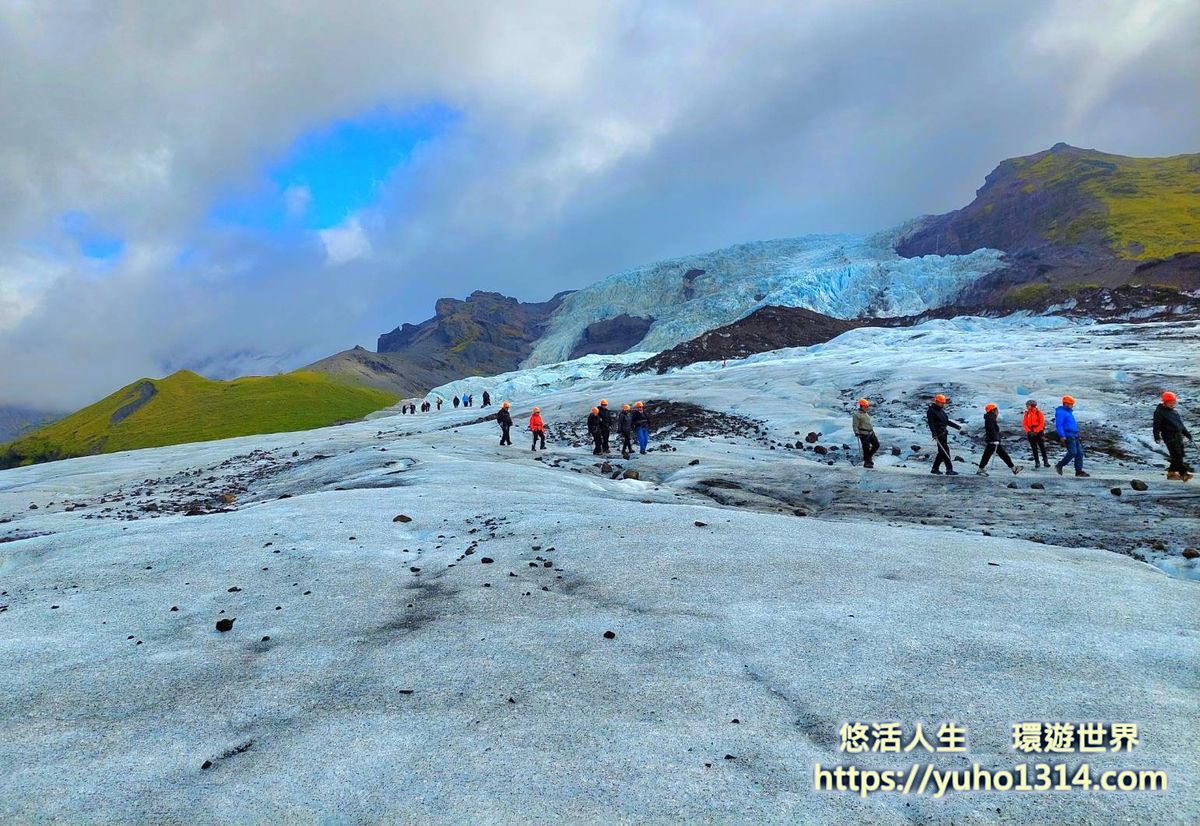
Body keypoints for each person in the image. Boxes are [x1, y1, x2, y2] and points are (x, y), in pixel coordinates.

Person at [1153, 391, 1193, 481]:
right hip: (1169, 436)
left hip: (1178, 436)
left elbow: (1180, 425)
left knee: (1180, 454)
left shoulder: (1174, 411)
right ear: (1165, 402)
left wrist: (1188, 435)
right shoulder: (1159, 412)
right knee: (1177, 455)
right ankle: (1180, 473)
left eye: (1173, 402)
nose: (1172, 404)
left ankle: (1175, 473)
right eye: (1170, 403)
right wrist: (1157, 437)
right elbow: (1156, 426)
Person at [977, 403, 1022, 476]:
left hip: (992, 440)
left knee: (991, 455)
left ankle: (1013, 468)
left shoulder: (990, 418)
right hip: (993, 441)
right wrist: (995, 439)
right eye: (996, 410)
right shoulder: (990, 418)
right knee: (1001, 455)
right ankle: (1013, 468)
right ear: (993, 410)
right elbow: (992, 430)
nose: (998, 412)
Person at [926, 394, 962, 475]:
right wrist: (934, 434)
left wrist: (957, 427)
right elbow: (931, 423)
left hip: (944, 433)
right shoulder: (931, 411)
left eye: (943, 403)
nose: (943, 404)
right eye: (942, 403)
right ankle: (949, 469)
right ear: (937, 402)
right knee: (945, 450)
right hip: (938, 434)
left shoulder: (941, 410)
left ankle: (935, 468)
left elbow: (947, 421)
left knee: (941, 451)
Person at [1053, 395, 1088, 477]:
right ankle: (1060, 465)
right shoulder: (1061, 412)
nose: (1072, 405)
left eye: (1072, 404)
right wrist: (1062, 435)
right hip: (1068, 435)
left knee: (1079, 453)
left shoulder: (1069, 412)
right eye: (1070, 404)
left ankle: (1079, 471)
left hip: (1074, 435)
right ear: (1065, 404)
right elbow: (1059, 425)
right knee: (1073, 452)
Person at [852, 398, 879, 468]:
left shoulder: (865, 413)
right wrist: (857, 433)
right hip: (863, 434)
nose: (867, 408)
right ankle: (867, 462)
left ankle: (868, 458)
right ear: (862, 406)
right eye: (866, 407)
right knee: (866, 448)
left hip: (871, 433)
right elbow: (855, 425)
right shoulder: (856, 415)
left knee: (876, 445)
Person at [1021, 400, 1049, 468]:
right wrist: (1029, 431)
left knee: (1042, 446)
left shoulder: (1039, 413)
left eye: (1028, 405)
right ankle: (1037, 462)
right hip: (1030, 432)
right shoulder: (1026, 413)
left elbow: (1041, 423)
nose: (1027, 406)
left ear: (1032, 405)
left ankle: (1045, 461)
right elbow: (1024, 423)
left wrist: (1036, 431)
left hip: (1039, 432)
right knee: (1034, 448)